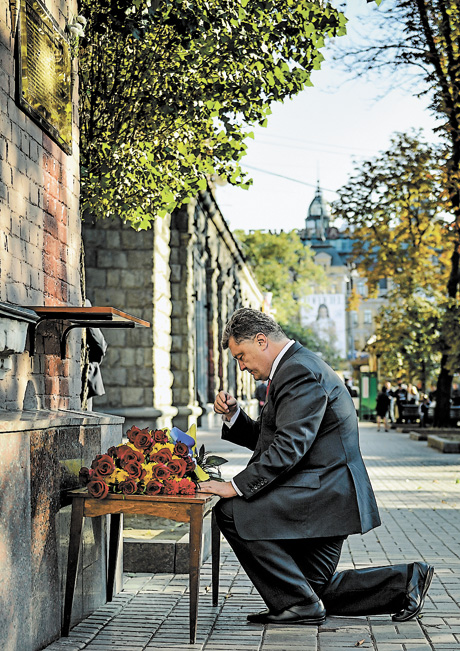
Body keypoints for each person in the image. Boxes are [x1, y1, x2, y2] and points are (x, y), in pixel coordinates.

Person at [199, 308, 433, 625]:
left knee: (231, 511)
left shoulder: (297, 371)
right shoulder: (295, 367)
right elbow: (275, 439)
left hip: (322, 495)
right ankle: (405, 581)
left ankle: (301, 606)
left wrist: (234, 486)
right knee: (311, 589)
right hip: (327, 494)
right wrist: (234, 417)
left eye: (241, 356)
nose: (241, 366)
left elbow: (290, 445)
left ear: (261, 340)